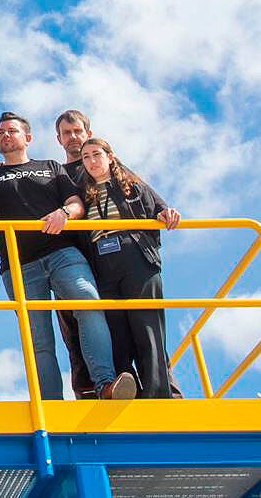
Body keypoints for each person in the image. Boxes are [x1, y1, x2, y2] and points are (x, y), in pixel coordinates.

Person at [0, 113, 135, 401]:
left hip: (61, 253)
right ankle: (49, 404)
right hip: (19, 263)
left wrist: (64, 213)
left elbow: (76, 203)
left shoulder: (50, 167)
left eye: (11, 131)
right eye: (0, 132)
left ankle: (105, 385)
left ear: (28, 138)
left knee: (89, 304)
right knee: (38, 337)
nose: (5, 135)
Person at [78, 138, 180, 399]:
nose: (92, 161)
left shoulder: (130, 184)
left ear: (110, 157)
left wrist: (165, 213)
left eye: (96, 154)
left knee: (146, 326)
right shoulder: (83, 192)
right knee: (116, 330)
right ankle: (127, 390)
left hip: (134, 253)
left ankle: (157, 395)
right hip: (102, 260)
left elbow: (159, 206)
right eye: (86, 157)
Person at [53, 109, 96, 400]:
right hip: (67, 258)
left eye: (77, 131)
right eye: (66, 133)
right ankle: (86, 393)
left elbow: (137, 191)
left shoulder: (106, 166)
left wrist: (162, 210)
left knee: (125, 320)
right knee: (73, 326)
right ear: (59, 139)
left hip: (105, 257)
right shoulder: (55, 174)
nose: (73, 137)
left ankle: (157, 390)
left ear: (88, 133)